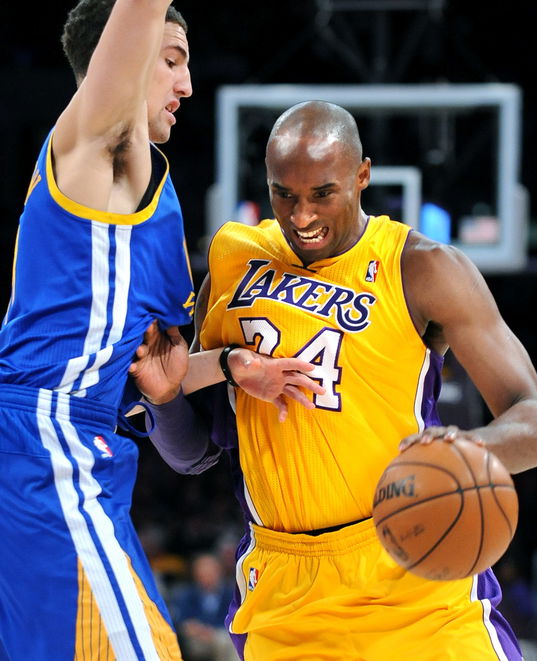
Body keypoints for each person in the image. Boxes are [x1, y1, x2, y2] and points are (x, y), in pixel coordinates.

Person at [139, 100, 537, 660]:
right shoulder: (232, 257)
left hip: (413, 567)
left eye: (322, 194)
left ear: (363, 176)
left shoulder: (424, 267)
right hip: (284, 589)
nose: (302, 216)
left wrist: (465, 449)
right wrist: (167, 400)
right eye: (283, 193)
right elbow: (194, 452)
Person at [0, 2, 320, 658]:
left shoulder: (139, 189)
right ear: (121, 62)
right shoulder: (97, 145)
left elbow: (149, 369)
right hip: (45, 447)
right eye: (171, 61)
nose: (187, 85)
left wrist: (229, 364)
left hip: (69, 446)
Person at [170, 552, 238, 661]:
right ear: (195, 574)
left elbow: (235, 618)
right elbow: (180, 619)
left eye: (210, 571)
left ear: (219, 571)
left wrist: (212, 631)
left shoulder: (231, 593)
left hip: (222, 634)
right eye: (202, 571)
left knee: (226, 642)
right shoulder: (186, 593)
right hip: (196, 638)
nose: (206, 575)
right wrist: (198, 629)